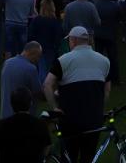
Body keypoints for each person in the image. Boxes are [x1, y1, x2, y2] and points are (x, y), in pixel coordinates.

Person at [43, 26, 111, 163]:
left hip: (69, 121)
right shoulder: (104, 61)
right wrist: (99, 109)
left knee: (69, 156)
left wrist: (54, 107)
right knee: (88, 157)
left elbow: (47, 85)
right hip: (94, 120)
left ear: (73, 40)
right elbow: (107, 90)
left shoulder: (63, 60)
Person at [0, 86, 52, 163]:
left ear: (12, 104)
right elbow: (47, 146)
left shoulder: (2, 125)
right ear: (30, 103)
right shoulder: (40, 124)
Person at [0, 41, 43, 119]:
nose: (38, 60)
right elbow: (38, 92)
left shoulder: (7, 63)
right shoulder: (31, 69)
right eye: (38, 56)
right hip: (23, 118)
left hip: (5, 115)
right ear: (32, 54)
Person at [28, 0, 62, 84]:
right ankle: (43, 87)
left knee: (41, 69)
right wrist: (56, 48)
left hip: (37, 48)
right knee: (46, 70)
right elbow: (58, 37)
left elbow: (30, 35)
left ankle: (41, 86)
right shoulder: (55, 22)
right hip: (50, 49)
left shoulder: (36, 20)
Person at [94, 0, 121, 85]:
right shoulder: (115, 6)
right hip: (111, 34)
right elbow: (119, 18)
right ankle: (115, 79)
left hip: (98, 34)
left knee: (98, 56)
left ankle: (97, 77)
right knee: (113, 57)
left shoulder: (96, 5)